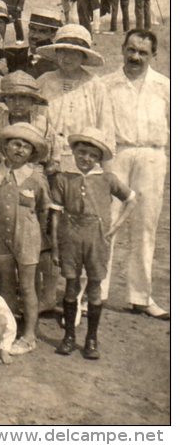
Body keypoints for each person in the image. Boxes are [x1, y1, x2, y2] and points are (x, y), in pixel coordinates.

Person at [50, 127, 136, 359]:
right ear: (74, 151)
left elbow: (131, 199)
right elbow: (55, 215)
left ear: (99, 158)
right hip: (70, 238)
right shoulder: (63, 179)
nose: (86, 158)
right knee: (71, 285)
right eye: (82, 152)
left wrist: (116, 226)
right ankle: (69, 336)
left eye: (92, 155)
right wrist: (56, 245)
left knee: (95, 288)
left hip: (97, 239)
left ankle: (91, 339)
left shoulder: (107, 179)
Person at [103, 30, 170, 319]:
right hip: (117, 153)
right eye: (131, 50)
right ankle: (95, 291)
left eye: (142, 52)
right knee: (107, 221)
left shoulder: (165, 86)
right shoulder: (107, 84)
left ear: (153, 55)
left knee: (145, 226)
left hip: (153, 156)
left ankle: (140, 296)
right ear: (122, 49)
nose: (135, 57)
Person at [0, 123, 51, 355]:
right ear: (5, 147)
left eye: (26, 147)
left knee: (27, 286)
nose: (20, 149)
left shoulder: (35, 178)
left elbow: (44, 208)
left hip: (27, 237)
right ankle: (9, 330)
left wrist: (41, 238)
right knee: (6, 284)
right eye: (16, 144)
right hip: (1, 235)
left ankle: (30, 335)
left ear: (32, 153)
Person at [35, 25, 114, 174]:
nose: (67, 58)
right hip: (47, 162)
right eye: (63, 51)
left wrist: (107, 176)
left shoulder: (94, 85)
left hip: (85, 162)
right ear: (56, 53)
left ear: (84, 56)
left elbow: (106, 129)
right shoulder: (43, 82)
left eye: (74, 54)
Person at [5, 7, 61, 79]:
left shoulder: (58, 63)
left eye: (42, 31)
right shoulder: (12, 56)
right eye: (32, 29)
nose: (35, 36)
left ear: (53, 35)